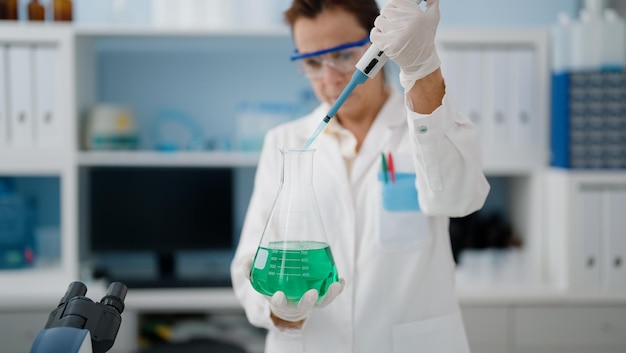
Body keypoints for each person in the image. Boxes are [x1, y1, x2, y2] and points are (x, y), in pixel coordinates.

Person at [230, 0, 490, 352]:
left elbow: (461, 198)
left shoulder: (427, 116)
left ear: (378, 46)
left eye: (342, 55)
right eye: (312, 62)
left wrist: (422, 68)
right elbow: (248, 264)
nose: (330, 78)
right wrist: (280, 312)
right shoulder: (285, 142)